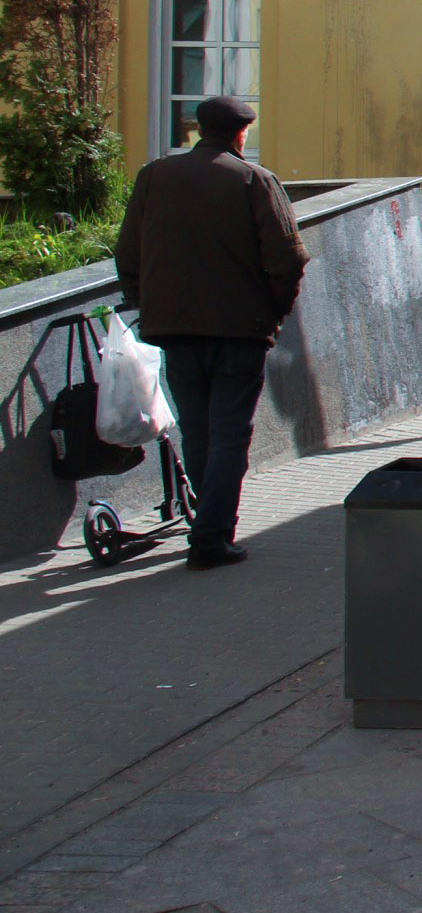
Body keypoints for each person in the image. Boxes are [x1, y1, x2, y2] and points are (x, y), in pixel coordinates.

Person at [114, 96, 308, 570]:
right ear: (241, 133)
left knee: (198, 430)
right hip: (239, 331)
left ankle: (207, 524)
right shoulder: (253, 180)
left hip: (174, 329)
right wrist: (274, 310)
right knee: (229, 434)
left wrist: (146, 302)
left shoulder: (154, 176)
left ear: (199, 130)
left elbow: (128, 251)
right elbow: (288, 257)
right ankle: (211, 537)